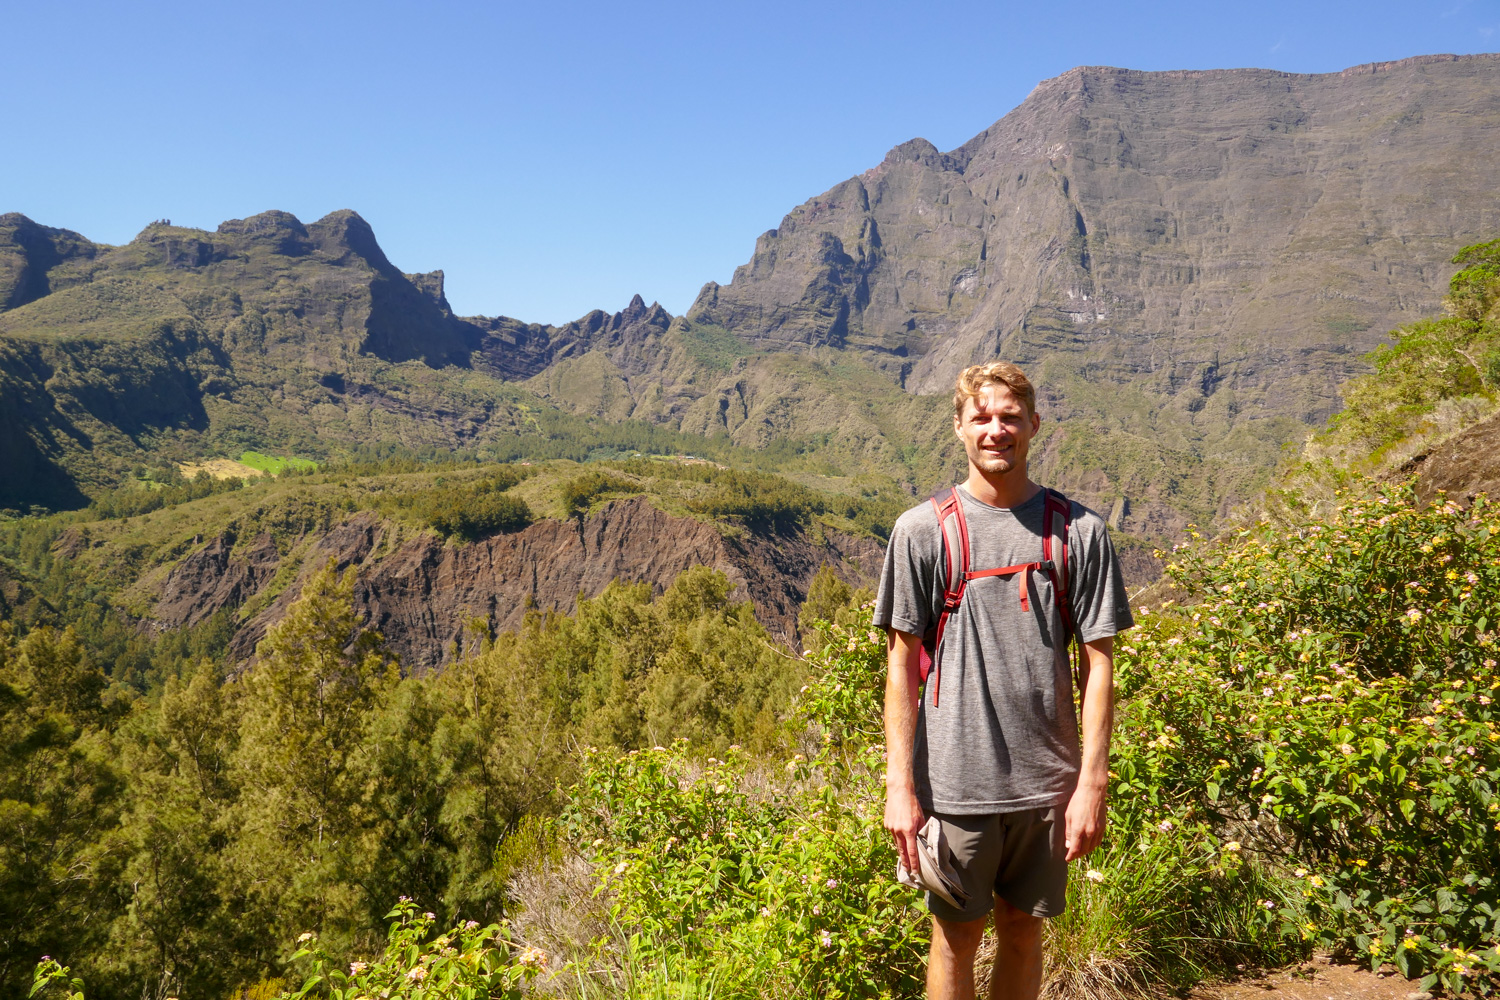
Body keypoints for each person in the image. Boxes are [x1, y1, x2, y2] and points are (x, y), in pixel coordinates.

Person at [875, 361, 1133, 1000]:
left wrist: (1091, 783)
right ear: (959, 428)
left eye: (1010, 417)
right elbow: (901, 664)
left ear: (1034, 425)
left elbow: (1098, 663)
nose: (997, 430)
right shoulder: (922, 531)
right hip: (956, 784)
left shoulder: (1079, 532)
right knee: (954, 938)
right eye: (982, 418)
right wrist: (899, 787)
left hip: (1046, 785)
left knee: (1024, 930)